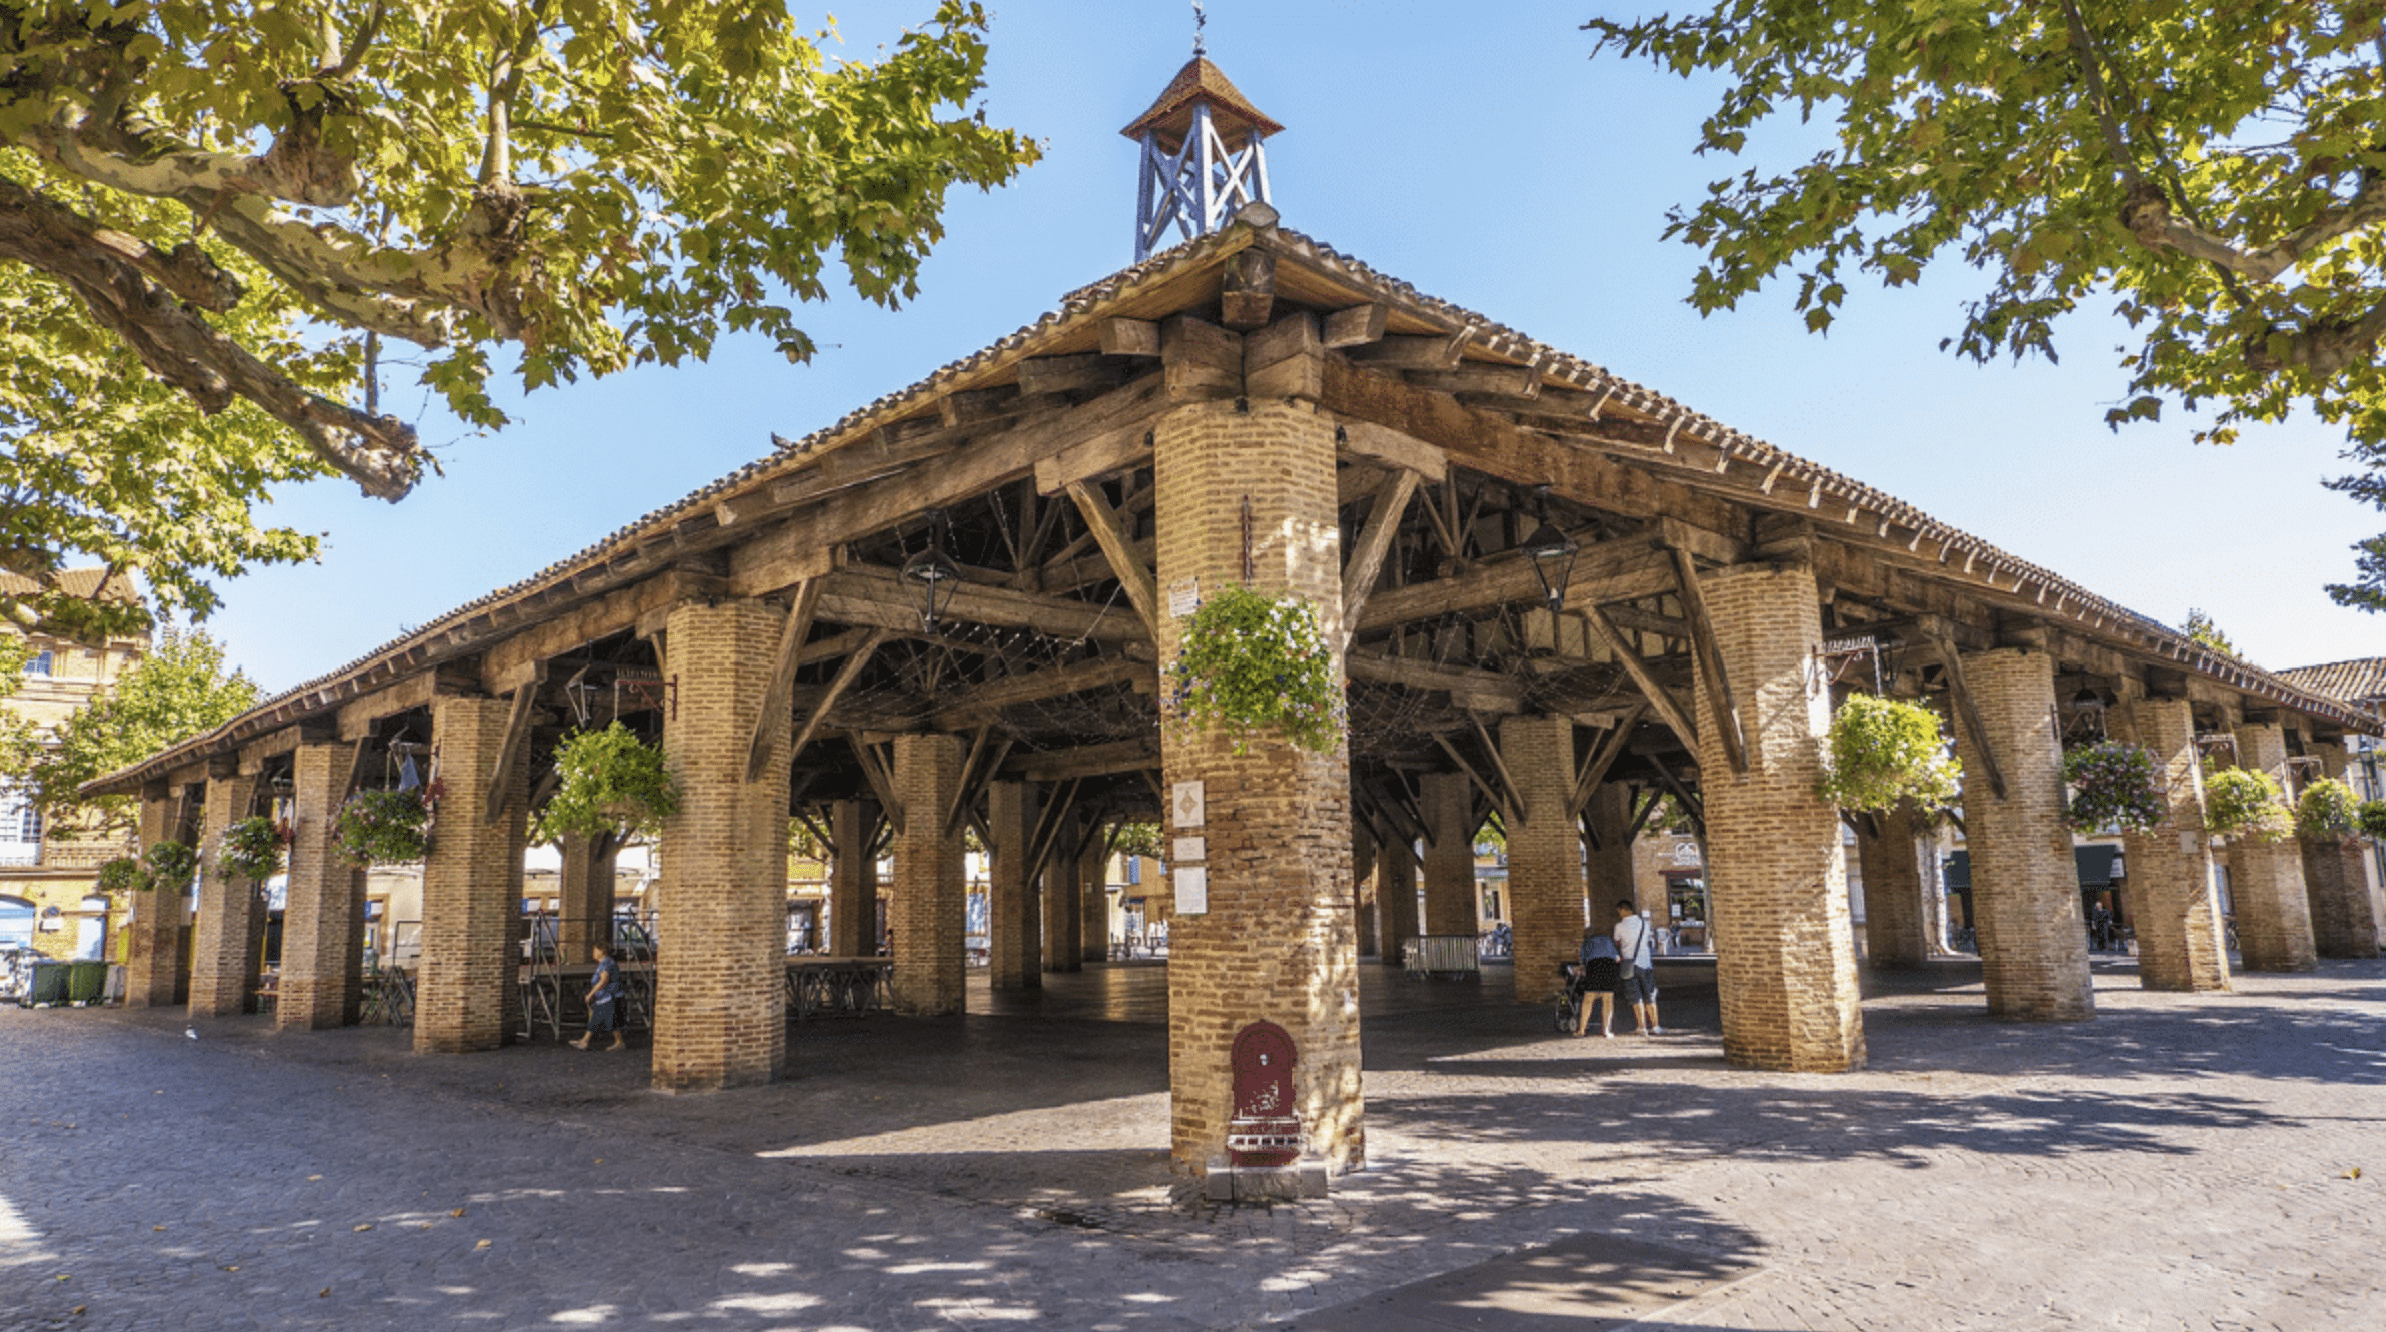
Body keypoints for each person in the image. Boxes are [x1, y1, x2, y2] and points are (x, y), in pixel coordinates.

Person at [1613, 899, 1663, 1035]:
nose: (1619, 915)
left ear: (1623, 910)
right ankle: (1655, 1026)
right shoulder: (1644, 924)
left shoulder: (1619, 926)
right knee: (1650, 995)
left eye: (1619, 912)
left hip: (1629, 965)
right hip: (1645, 963)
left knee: (1635, 997)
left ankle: (1642, 1027)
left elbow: (1616, 941)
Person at [571, 943, 627, 1051]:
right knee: (597, 1018)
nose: (593, 953)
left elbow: (603, 980)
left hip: (610, 997)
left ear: (602, 951)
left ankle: (619, 1042)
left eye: (595, 950)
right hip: (604, 997)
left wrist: (590, 994)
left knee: (609, 1020)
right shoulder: (604, 963)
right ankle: (585, 1041)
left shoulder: (606, 963)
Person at [1574, 926, 1621, 1037]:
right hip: (1609, 966)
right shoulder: (1609, 941)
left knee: (1588, 999)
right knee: (1607, 1000)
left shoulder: (1587, 942)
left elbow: (1582, 959)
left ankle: (1581, 1030)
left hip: (1593, 966)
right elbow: (1617, 958)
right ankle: (1606, 1031)